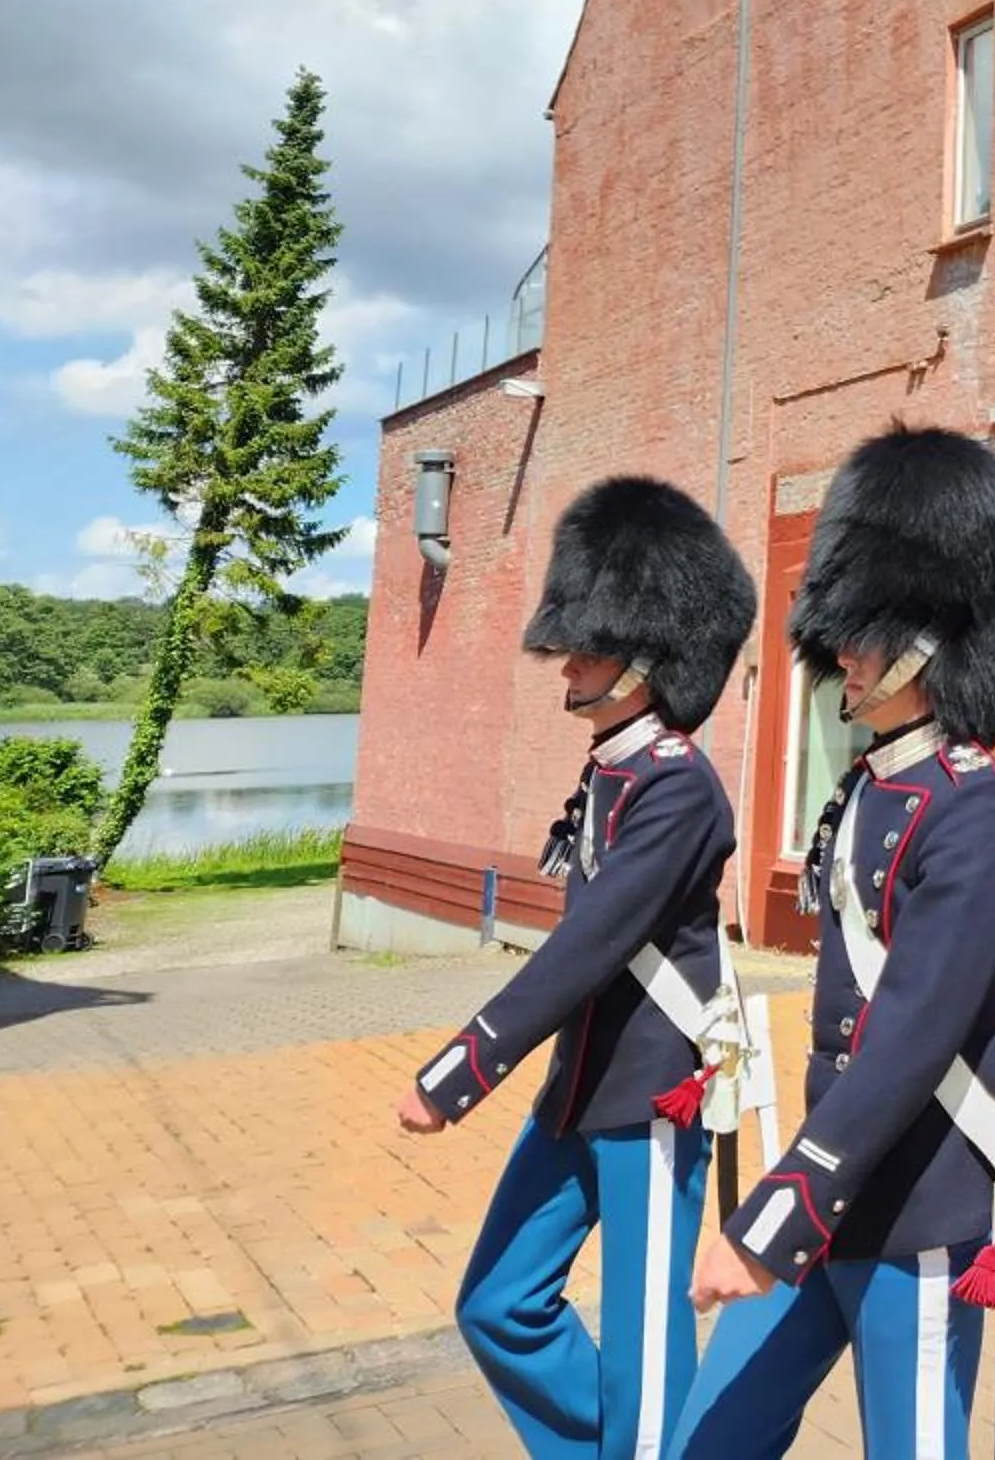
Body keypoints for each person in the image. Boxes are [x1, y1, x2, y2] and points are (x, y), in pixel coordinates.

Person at [672, 425, 995, 1459]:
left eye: (866, 627)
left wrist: (776, 1214)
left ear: (930, 639)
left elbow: (913, 1032)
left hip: (916, 1194)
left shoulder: (977, 811)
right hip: (833, 1179)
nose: (842, 648)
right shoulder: (868, 786)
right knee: (709, 1437)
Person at [399, 476, 756, 1460]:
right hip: (577, 1089)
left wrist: (460, 1068)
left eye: (594, 644)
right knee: (498, 1304)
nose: (574, 660)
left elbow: (589, 944)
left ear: (647, 659)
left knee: (648, 1362)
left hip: (649, 1098)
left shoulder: (681, 789)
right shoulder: (611, 770)